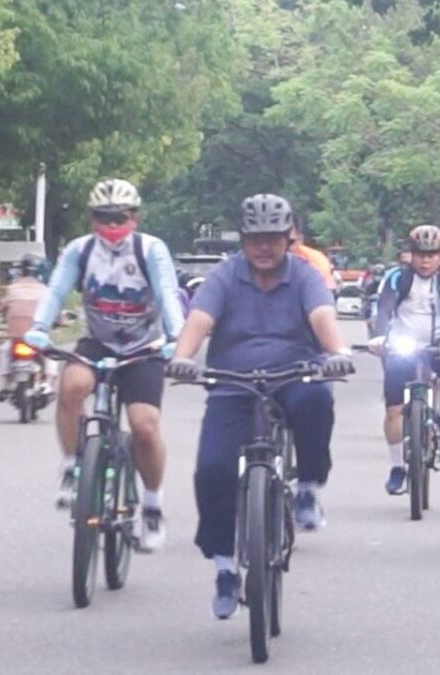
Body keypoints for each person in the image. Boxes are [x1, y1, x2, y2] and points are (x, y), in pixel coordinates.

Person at [166, 193, 354, 620]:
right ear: (243, 239)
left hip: (293, 373)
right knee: (212, 470)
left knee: (317, 398)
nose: (264, 247)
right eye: (255, 239)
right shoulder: (225, 275)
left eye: (272, 238)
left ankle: (308, 487)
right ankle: (224, 568)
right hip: (233, 382)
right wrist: (182, 357)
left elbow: (322, 316)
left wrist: (337, 351)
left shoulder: (304, 275)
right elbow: (200, 319)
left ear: (289, 239)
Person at [25, 178, 183, 552]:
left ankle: (152, 506)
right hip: (97, 342)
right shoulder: (80, 250)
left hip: (144, 347)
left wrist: (176, 337)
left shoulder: (150, 250)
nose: (112, 225)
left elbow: (167, 294)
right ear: (91, 218)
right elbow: (56, 290)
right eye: (103, 217)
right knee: (71, 387)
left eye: (120, 217)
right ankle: (71, 466)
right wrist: (39, 327)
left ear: (135, 217)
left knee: (144, 427)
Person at [369, 226, 440, 495]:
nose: (425, 261)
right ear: (410, 254)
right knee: (393, 411)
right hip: (403, 343)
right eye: (420, 255)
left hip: (439, 341)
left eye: (432, 255)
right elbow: (384, 308)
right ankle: (397, 468)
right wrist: (379, 338)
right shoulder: (397, 278)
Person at [0, 253, 50, 401]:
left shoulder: (12, 288)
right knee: (50, 355)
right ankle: (47, 383)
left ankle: (8, 383)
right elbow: (52, 311)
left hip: (16, 336)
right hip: (37, 336)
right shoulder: (44, 290)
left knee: (5, 351)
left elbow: (3, 308)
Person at [289, 220, 337, 293]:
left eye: (290, 242)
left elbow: (324, 293)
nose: (285, 247)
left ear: (300, 239)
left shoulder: (316, 260)